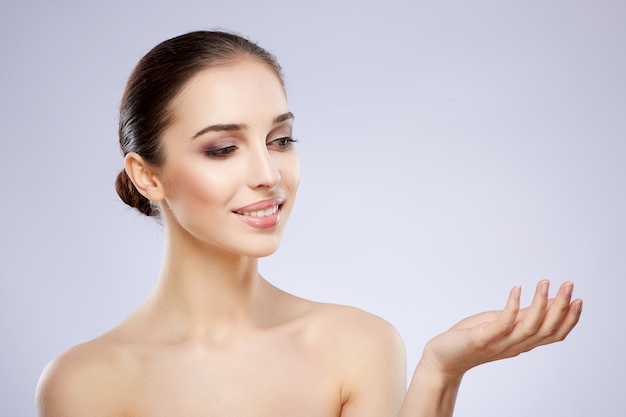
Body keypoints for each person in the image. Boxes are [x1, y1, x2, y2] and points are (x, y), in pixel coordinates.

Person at [36, 30, 582, 417]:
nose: (268, 173)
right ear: (147, 176)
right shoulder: (84, 382)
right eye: (223, 148)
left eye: (280, 140)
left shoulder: (356, 344)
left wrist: (441, 371)